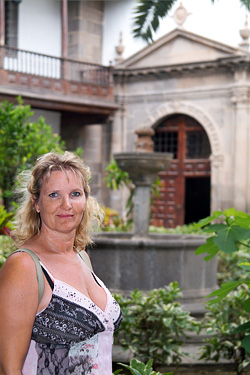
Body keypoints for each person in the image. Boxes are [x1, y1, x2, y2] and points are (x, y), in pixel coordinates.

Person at [0, 151, 122, 375]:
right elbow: (9, 369)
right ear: (36, 203)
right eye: (54, 195)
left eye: (75, 193)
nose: (67, 204)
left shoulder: (82, 256)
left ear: (85, 200)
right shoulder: (25, 266)